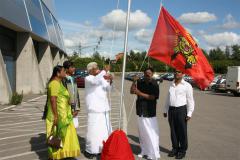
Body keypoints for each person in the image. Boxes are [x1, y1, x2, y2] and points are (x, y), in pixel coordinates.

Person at [46, 65, 80, 160]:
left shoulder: (59, 83)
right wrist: (56, 116)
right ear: (58, 73)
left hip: (64, 114)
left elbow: (61, 97)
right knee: (57, 135)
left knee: (65, 135)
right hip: (58, 115)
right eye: (63, 71)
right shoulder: (54, 83)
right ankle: (55, 156)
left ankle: (62, 154)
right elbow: (53, 100)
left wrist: (68, 101)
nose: (65, 73)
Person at [84, 62, 113, 159]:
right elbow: (95, 81)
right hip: (94, 109)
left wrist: (110, 81)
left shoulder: (101, 78)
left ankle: (102, 149)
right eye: (96, 67)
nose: (98, 68)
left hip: (103, 108)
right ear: (90, 70)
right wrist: (104, 70)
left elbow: (108, 89)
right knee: (93, 132)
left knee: (104, 131)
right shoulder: (88, 78)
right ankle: (91, 151)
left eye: (98, 67)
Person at [130, 67, 160, 160]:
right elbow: (132, 91)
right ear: (144, 74)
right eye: (146, 73)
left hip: (150, 112)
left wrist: (139, 93)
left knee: (151, 134)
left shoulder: (155, 84)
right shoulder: (140, 82)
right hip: (140, 111)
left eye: (149, 73)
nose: (147, 75)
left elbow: (153, 97)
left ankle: (153, 153)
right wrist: (134, 82)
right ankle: (144, 151)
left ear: (152, 74)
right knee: (142, 134)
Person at [163, 70, 194, 159]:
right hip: (171, 110)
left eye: (179, 72)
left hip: (181, 110)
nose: (177, 73)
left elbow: (190, 100)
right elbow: (168, 98)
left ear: (183, 74)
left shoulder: (187, 85)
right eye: (175, 72)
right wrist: (165, 110)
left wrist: (189, 113)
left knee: (182, 131)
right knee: (173, 131)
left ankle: (182, 150)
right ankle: (175, 148)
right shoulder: (171, 84)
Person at [62, 61, 80, 128]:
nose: (74, 68)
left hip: (74, 107)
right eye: (72, 67)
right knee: (67, 126)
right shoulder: (63, 80)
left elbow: (76, 94)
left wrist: (77, 108)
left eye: (74, 67)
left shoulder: (73, 79)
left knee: (74, 126)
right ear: (66, 69)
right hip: (66, 108)